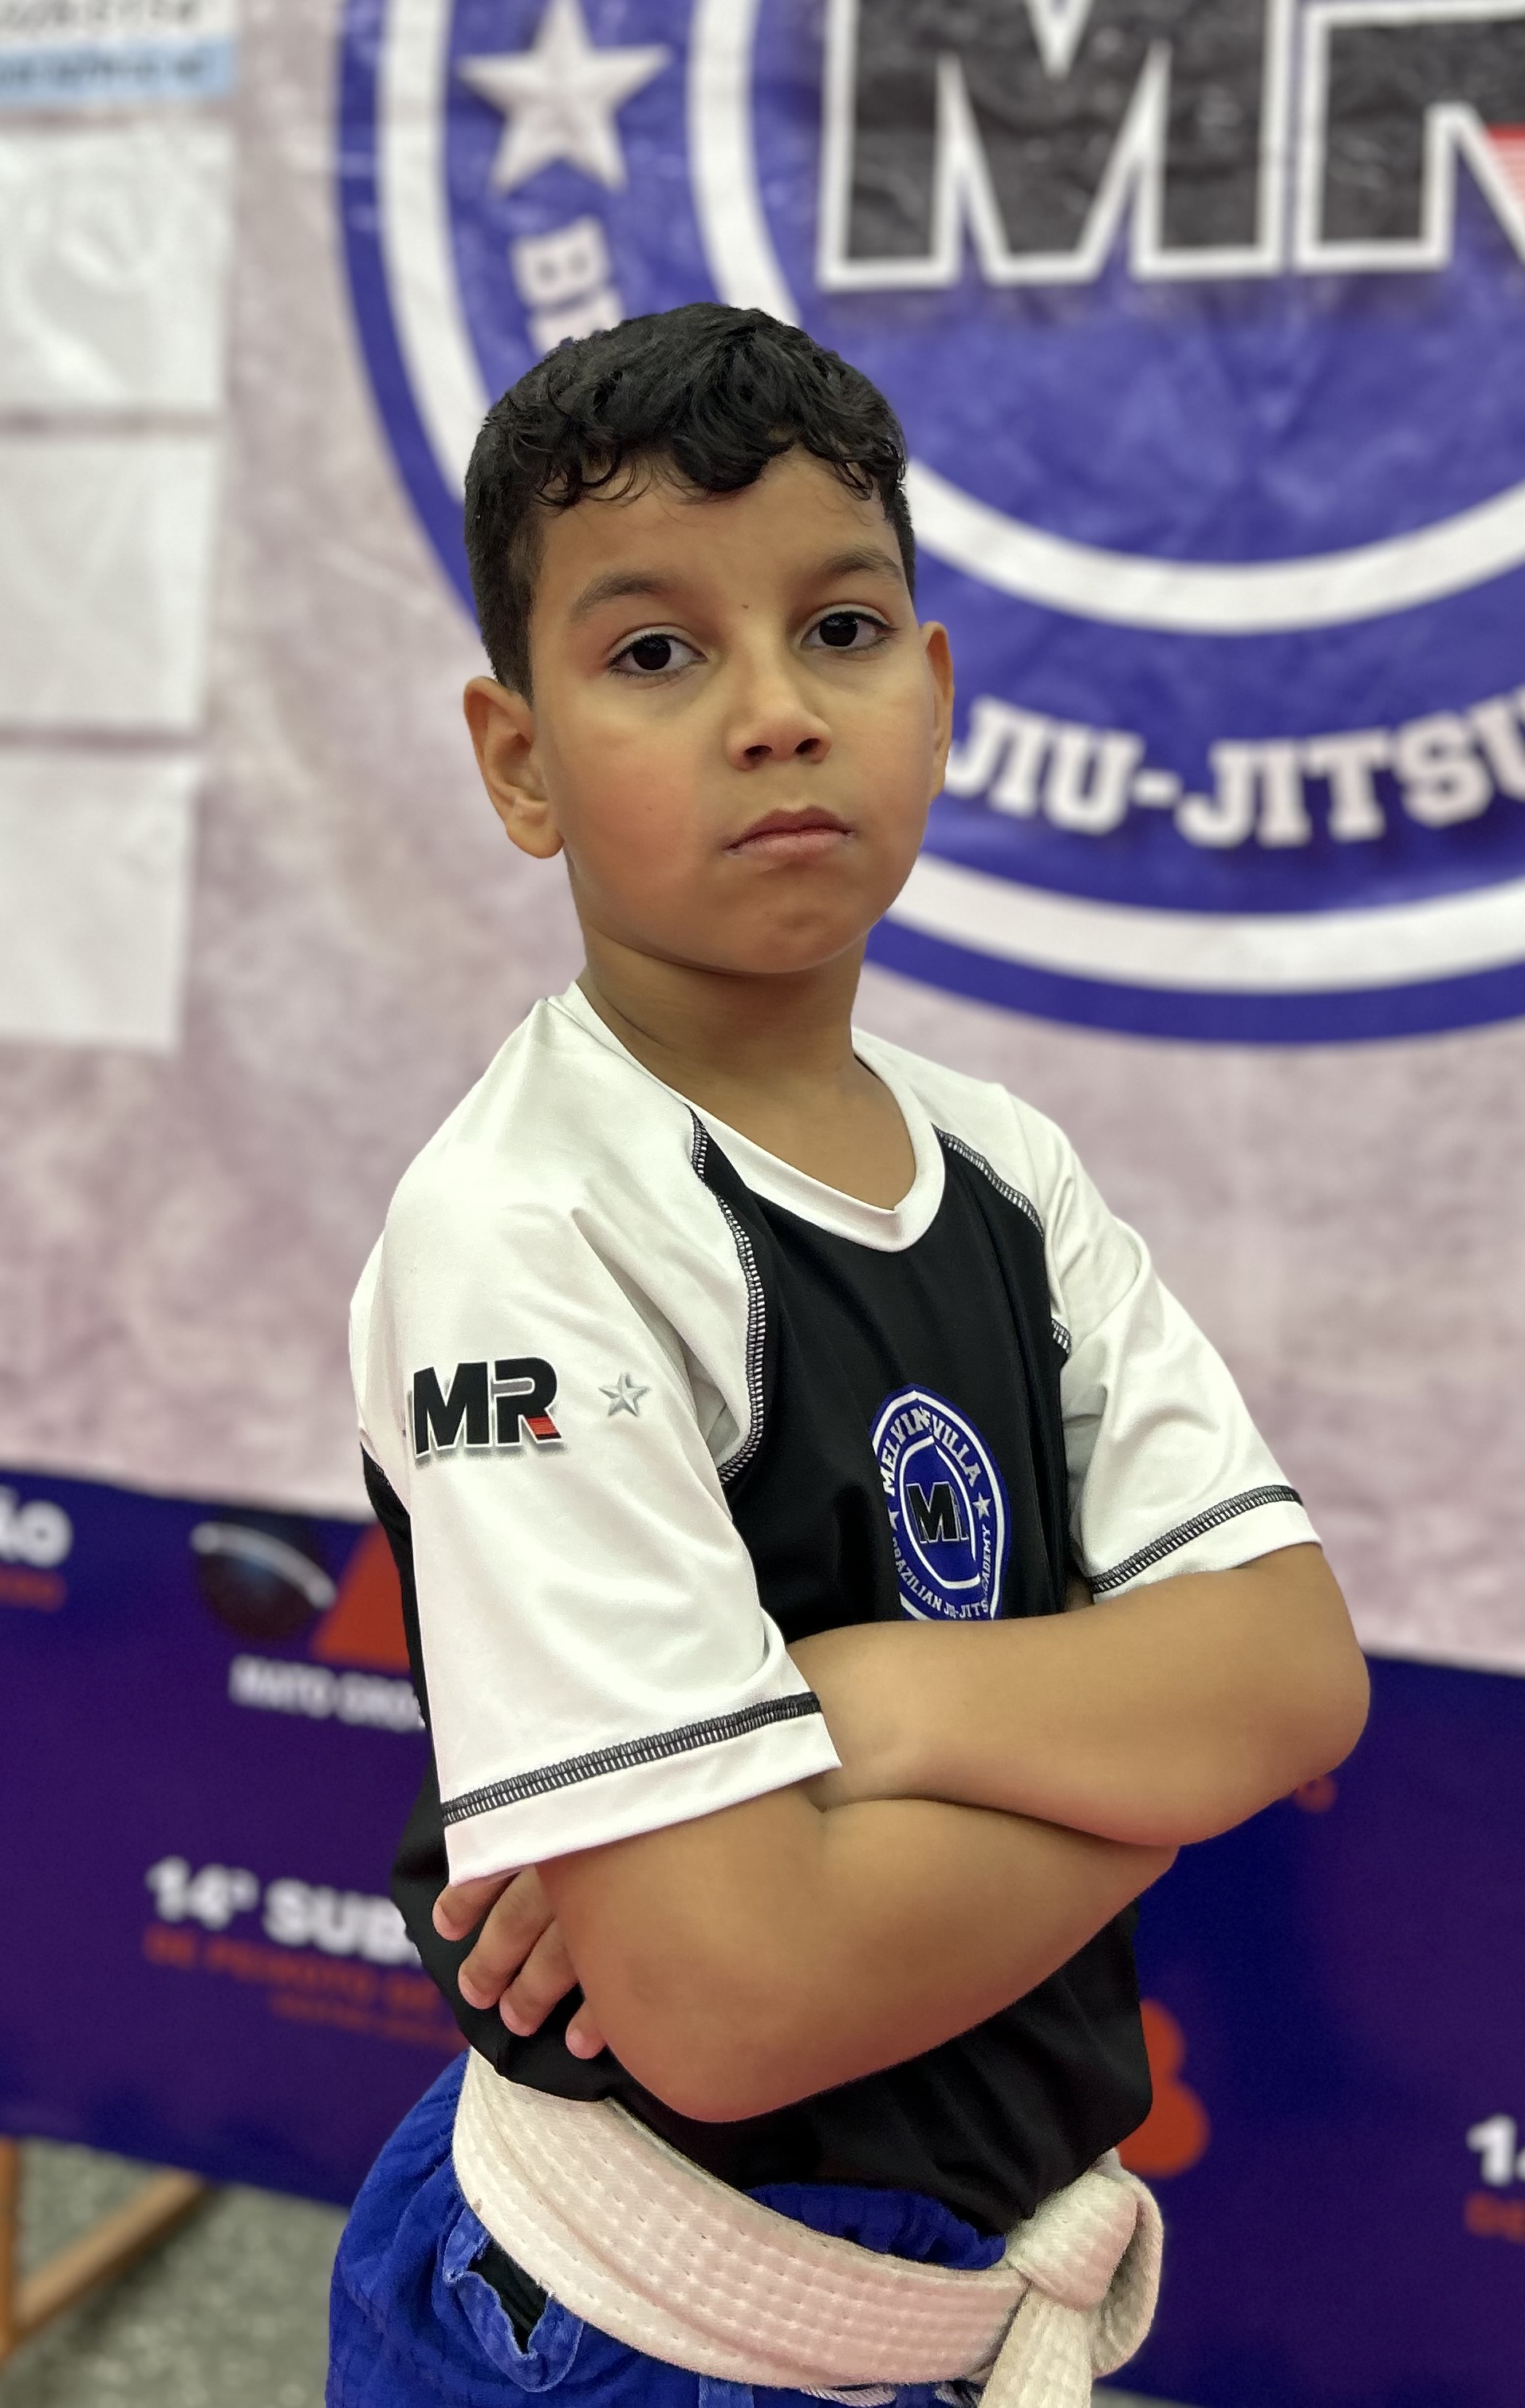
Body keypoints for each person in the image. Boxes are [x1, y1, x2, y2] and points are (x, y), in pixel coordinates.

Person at [332, 304, 1369, 2408]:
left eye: (841, 628)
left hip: (962, 2312)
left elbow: (1290, 1676)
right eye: (654, 651)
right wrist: (1144, 1764)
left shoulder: (1009, 1172)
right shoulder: (534, 1226)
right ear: (520, 760)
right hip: (632, 2332)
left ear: (937, 693)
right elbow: (736, 2000)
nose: (777, 713)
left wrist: (849, 1704)